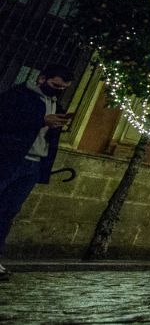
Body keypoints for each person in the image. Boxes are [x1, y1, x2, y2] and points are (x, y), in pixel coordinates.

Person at [0, 64, 75, 281]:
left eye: (64, 88)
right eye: (55, 85)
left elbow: (48, 140)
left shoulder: (56, 106)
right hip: (9, 159)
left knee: (8, 212)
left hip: (33, 163)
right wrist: (40, 121)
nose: (58, 90)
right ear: (42, 78)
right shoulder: (19, 95)